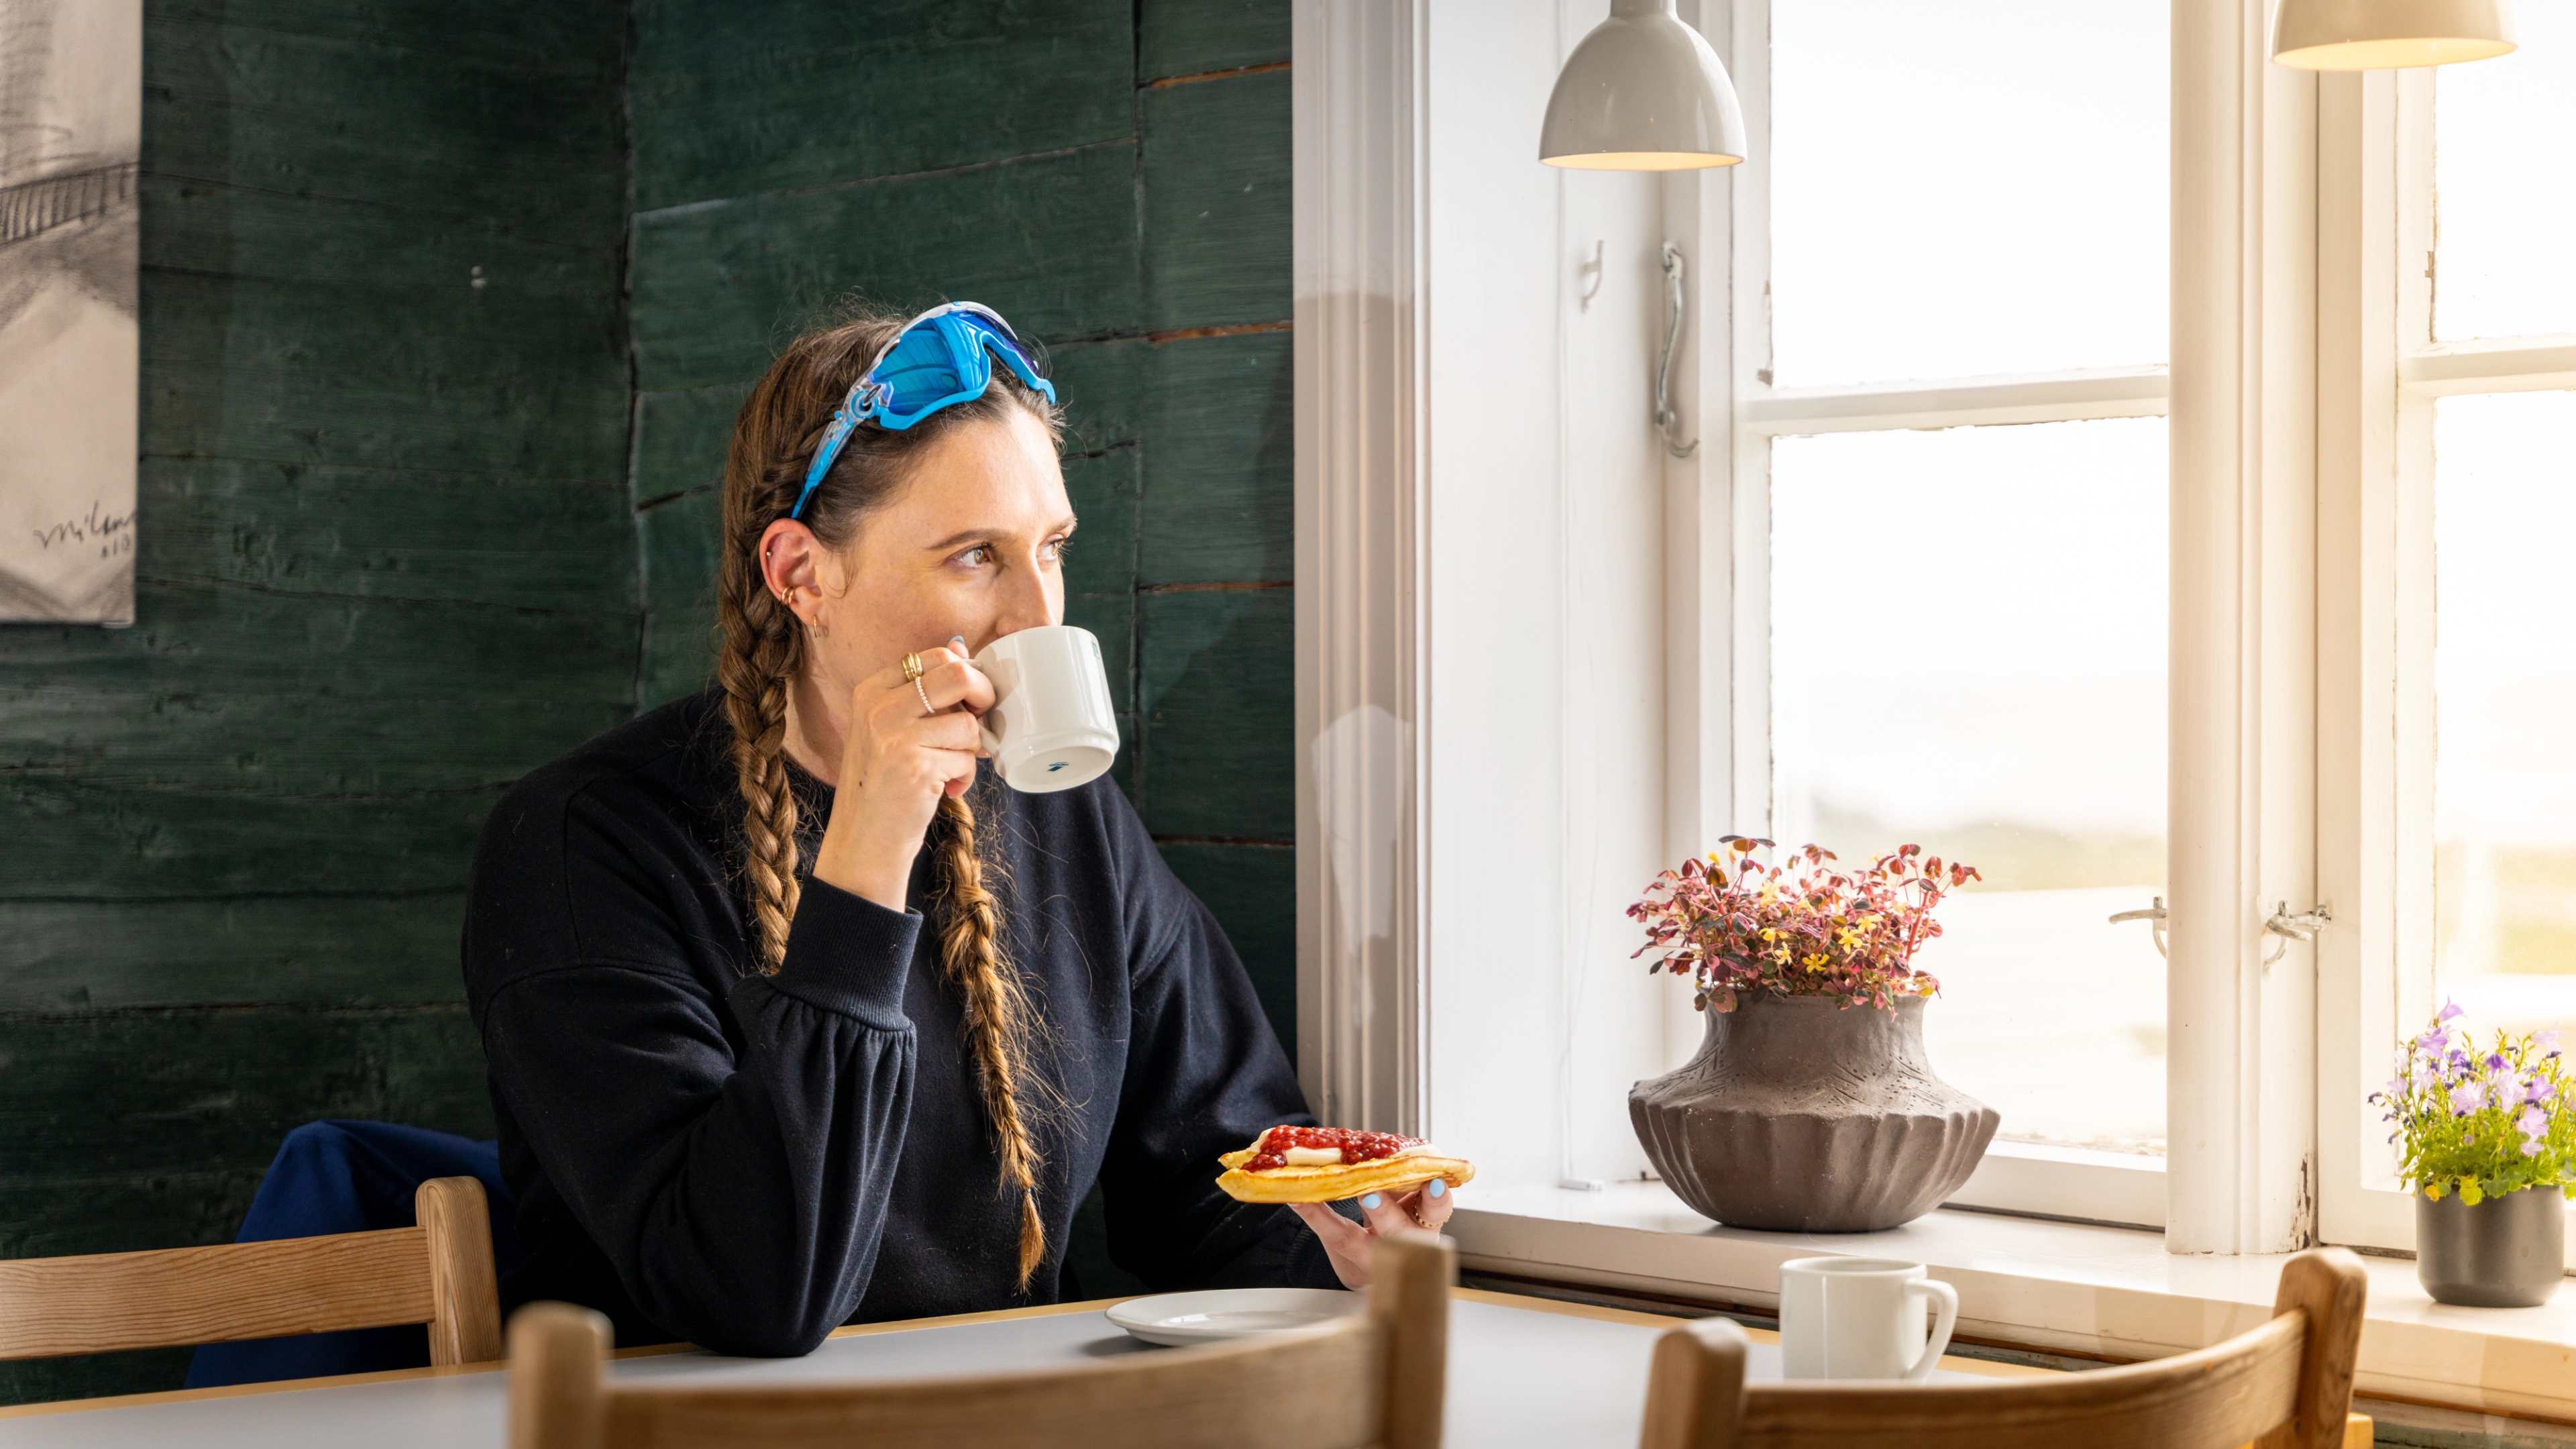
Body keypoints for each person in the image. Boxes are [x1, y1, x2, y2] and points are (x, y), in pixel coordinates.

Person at [461, 301, 1451, 1356]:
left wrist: (1341, 1245)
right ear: (802, 574)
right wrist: (866, 862)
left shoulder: (1066, 818)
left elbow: (1216, 1185)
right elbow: (754, 1297)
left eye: (1052, 548)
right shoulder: (585, 843)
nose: (1038, 614)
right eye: (975, 556)